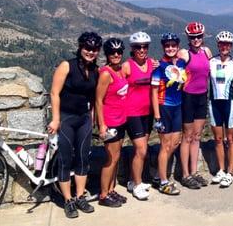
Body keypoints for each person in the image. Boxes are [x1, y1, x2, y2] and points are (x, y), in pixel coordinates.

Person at [48, 32, 101, 218]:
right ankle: (68, 200)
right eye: (87, 48)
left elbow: (93, 97)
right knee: (65, 160)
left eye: (94, 49)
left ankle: (80, 197)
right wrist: (55, 119)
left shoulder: (96, 70)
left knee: (83, 159)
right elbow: (54, 93)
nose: (90, 52)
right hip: (66, 118)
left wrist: (93, 118)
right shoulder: (67, 66)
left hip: (84, 118)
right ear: (80, 48)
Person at [178, 22, 212, 189]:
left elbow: (215, 69)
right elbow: (171, 69)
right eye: (193, 37)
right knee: (187, 136)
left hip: (202, 96)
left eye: (199, 36)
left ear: (203, 37)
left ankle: (194, 172)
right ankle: (185, 175)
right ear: (188, 38)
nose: (196, 39)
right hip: (188, 97)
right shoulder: (184, 53)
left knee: (197, 136)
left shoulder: (207, 52)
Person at [207, 31, 233, 188]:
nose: (224, 47)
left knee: (231, 139)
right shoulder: (210, 62)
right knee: (218, 139)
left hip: (231, 104)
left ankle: (230, 173)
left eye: (228, 44)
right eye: (222, 44)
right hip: (214, 103)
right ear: (218, 45)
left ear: (231, 46)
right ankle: (221, 170)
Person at [152, 32, 186, 195]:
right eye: (167, 46)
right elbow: (153, 92)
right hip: (164, 107)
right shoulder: (158, 67)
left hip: (178, 107)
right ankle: (163, 182)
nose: (170, 48)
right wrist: (157, 115)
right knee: (165, 146)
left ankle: (158, 175)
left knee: (175, 143)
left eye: (173, 45)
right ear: (163, 47)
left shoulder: (181, 63)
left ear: (178, 47)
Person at [95, 38, 129, 207]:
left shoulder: (121, 70)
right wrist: (102, 125)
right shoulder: (106, 73)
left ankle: (111, 189)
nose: (116, 55)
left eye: (118, 52)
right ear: (107, 54)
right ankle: (103, 194)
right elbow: (98, 101)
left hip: (121, 119)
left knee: (116, 158)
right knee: (110, 158)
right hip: (110, 122)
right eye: (112, 52)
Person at [122, 32, 154, 200]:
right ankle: (137, 185)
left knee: (141, 149)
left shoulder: (151, 63)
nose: (142, 50)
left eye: (144, 47)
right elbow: (116, 84)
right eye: (138, 47)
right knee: (141, 150)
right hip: (132, 113)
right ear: (132, 49)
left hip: (147, 113)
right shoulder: (127, 66)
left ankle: (132, 180)